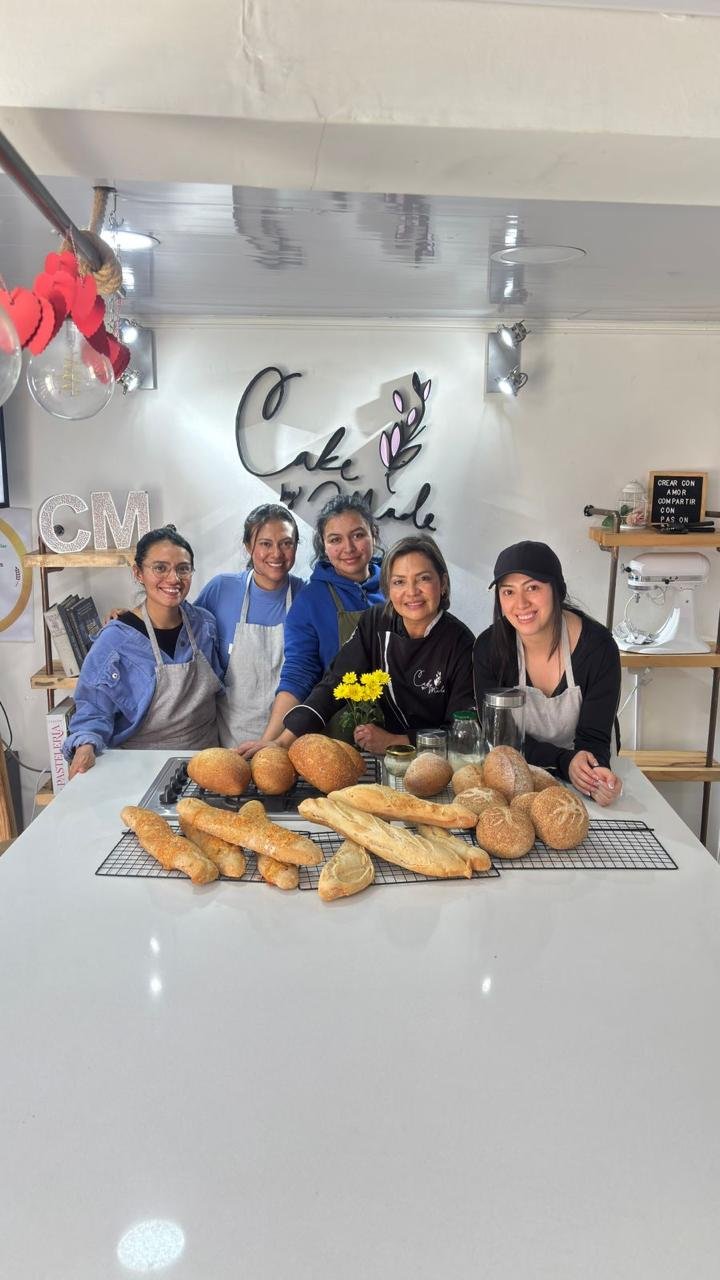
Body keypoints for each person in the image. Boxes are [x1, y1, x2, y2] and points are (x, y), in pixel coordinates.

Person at [275, 535, 475, 754]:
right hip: (385, 762)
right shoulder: (375, 622)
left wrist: (395, 741)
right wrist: (282, 742)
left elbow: (462, 733)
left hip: (440, 765)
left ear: (443, 583)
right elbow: (335, 683)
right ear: (388, 589)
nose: (411, 591)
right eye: (399, 581)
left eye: (423, 578)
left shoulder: (462, 643)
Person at [64, 526, 224, 778]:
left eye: (183, 568)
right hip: (139, 768)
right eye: (160, 568)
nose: (173, 579)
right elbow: (93, 711)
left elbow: (222, 689)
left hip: (206, 762)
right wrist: (85, 746)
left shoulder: (205, 624)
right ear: (138, 572)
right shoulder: (114, 640)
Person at [473, 540, 622, 805]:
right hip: (516, 777)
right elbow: (500, 738)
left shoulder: (598, 647)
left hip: (581, 773)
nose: (521, 603)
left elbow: (594, 737)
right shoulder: (489, 648)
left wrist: (595, 774)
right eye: (508, 592)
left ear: (557, 590)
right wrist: (563, 761)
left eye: (533, 588)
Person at [237, 493, 384, 755]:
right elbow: (299, 676)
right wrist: (271, 741)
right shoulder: (310, 601)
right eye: (335, 539)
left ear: (373, 534)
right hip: (335, 742)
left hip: (398, 737)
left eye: (358, 535)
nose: (348, 548)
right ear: (324, 546)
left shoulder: (397, 588)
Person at [194, 503, 304, 747]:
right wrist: (133, 617)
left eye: (286, 543)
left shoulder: (306, 596)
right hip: (233, 741)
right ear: (248, 547)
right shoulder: (221, 589)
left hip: (291, 741)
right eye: (265, 543)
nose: (276, 553)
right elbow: (178, 626)